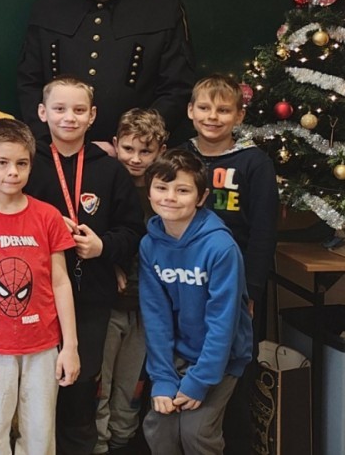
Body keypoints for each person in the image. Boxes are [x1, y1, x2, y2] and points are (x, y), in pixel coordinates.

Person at [24, 77, 144, 455]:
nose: (69, 118)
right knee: (36, 388)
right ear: (42, 112)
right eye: (59, 109)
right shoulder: (26, 163)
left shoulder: (110, 170)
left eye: (79, 110)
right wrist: (44, 227)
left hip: (90, 296)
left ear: (92, 116)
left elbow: (133, 231)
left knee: (79, 385)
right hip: (33, 298)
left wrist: (102, 247)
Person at [16, 0, 196, 145]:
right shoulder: (47, 9)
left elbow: (177, 88)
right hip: (57, 152)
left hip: (135, 155)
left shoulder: (162, 8)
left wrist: (132, 144)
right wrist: (54, 143)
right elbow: (29, 84)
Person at [0, 119, 79, 455]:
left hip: (43, 343)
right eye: (3, 162)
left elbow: (60, 282)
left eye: (21, 163)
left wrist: (70, 346)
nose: (13, 172)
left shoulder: (47, 216)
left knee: (40, 430)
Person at [181, 74, 277, 450]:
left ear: (239, 116)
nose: (212, 117)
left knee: (235, 366)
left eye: (223, 110)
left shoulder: (255, 163)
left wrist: (251, 290)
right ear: (190, 111)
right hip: (184, 280)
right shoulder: (179, 156)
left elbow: (264, 232)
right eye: (204, 108)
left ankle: (235, 442)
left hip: (235, 286)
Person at [139, 149, 253, 455]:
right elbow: (156, 316)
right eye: (161, 188)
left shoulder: (221, 248)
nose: (170, 197)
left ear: (201, 197)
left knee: (196, 432)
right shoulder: (149, 245)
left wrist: (200, 381)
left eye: (182, 190)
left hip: (220, 357)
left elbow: (223, 323)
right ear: (149, 192)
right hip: (177, 354)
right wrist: (163, 377)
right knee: (159, 427)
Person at [96, 108, 167, 455]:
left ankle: (122, 440)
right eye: (128, 149)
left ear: (160, 152)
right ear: (115, 145)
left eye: (145, 151)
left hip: (148, 307)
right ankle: (99, 443)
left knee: (131, 383)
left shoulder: (164, 194)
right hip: (110, 303)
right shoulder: (104, 184)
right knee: (102, 381)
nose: (136, 159)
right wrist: (111, 266)